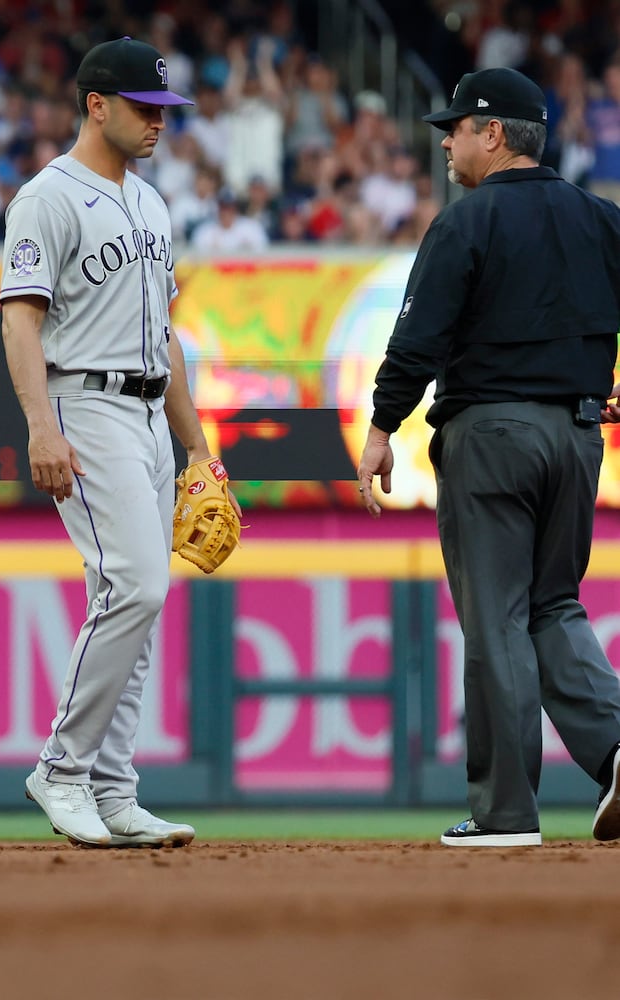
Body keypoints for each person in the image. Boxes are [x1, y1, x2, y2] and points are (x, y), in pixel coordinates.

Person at [356, 67, 620, 847]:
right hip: (577, 440)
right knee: (553, 606)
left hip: (492, 438)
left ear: (494, 133)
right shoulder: (601, 220)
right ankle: (614, 748)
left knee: (498, 618)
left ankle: (506, 813)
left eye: (457, 127)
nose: (446, 140)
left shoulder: (466, 222)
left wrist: (380, 427)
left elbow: (417, 340)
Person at [0, 37, 236, 848]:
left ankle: (112, 786)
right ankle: (62, 769)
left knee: (136, 600)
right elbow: (20, 319)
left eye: (165, 111)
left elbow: (164, 335)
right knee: (133, 586)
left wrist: (198, 447)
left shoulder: (153, 202)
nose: (158, 123)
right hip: (85, 402)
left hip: (146, 414)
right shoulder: (47, 197)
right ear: (96, 104)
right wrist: (40, 424)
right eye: (144, 108)